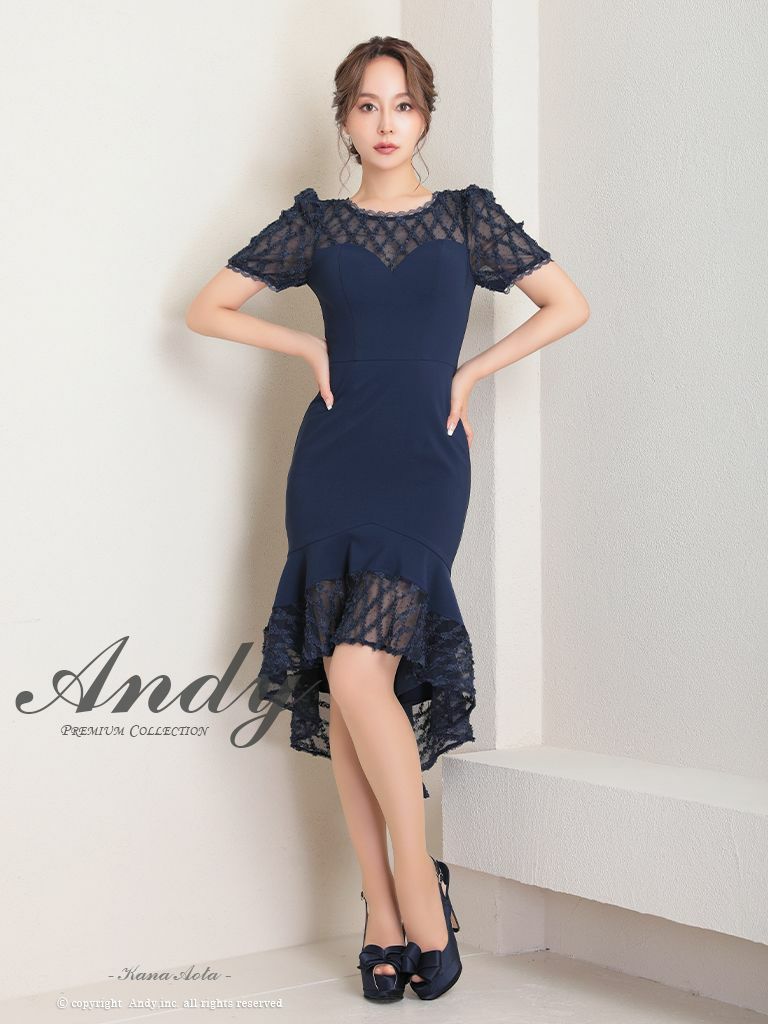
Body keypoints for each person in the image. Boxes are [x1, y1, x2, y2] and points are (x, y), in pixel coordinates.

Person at [186, 35, 589, 1003]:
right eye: (366, 106)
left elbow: (566, 304)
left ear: (426, 115)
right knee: (345, 675)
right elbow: (207, 309)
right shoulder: (316, 227)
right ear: (344, 118)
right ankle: (385, 905)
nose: (384, 123)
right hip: (333, 463)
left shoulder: (467, 219)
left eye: (401, 105)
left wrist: (471, 373)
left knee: (362, 670)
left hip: (424, 464)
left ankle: (415, 885)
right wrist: (305, 350)